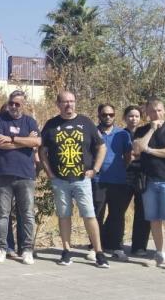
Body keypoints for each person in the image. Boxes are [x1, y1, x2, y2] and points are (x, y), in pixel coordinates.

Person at [40, 91, 109, 268]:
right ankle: (66, 251)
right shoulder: (51, 125)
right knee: (64, 215)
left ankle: (99, 252)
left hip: (82, 179)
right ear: (58, 104)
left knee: (89, 215)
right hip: (60, 180)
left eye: (71, 101)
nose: (69, 105)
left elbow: (102, 147)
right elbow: (42, 151)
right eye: (65, 102)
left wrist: (95, 169)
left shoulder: (86, 123)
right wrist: (49, 173)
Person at [133, 98, 165, 273]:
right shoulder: (142, 130)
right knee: (154, 219)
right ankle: (160, 253)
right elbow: (137, 149)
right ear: (147, 113)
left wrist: (150, 150)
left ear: (164, 111)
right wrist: (151, 130)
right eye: (153, 111)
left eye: (159, 110)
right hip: (148, 180)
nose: (156, 114)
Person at [0, 90, 40, 265]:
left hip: (25, 174)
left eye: (17, 104)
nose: (13, 106)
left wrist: (11, 139)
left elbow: (37, 142)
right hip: (3, 174)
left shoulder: (30, 121)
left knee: (27, 214)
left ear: (23, 105)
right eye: (11, 103)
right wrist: (24, 141)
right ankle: (2, 248)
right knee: (2, 214)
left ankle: (27, 249)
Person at [94, 103, 133, 261]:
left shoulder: (122, 134)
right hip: (98, 180)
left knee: (117, 215)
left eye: (111, 114)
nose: (108, 117)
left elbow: (128, 156)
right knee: (97, 214)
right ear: (99, 115)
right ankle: (96, 247)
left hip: (118, 181)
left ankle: (117, 247)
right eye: (104, 115)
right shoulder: (93, 132)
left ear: (115, 115)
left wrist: (121, 170)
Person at [125, 106, 151, 257]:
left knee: (142, 211)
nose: (133, 119)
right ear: (125, 118)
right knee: (118, 210)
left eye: (136, 116)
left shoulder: (145, 132)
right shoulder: (121, 133)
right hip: (125, 174)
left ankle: (139, 246)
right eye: (130, 116)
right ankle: (112, 242)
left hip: (142, 174)